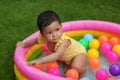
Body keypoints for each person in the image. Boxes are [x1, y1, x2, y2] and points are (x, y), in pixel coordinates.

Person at [17, 10, 87, 78]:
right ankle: (67, 64)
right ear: (42, 34)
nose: (54, 35)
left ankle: (82, 73)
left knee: (75, 67)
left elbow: (57, 55)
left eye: (57, 30)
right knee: (50, 55)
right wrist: (24, 44)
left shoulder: (64, 42)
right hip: (65, 56)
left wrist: (40, 60)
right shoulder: (43, 38)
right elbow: (35, 41)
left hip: (78, 53)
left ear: (61, 27)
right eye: (49, 32)